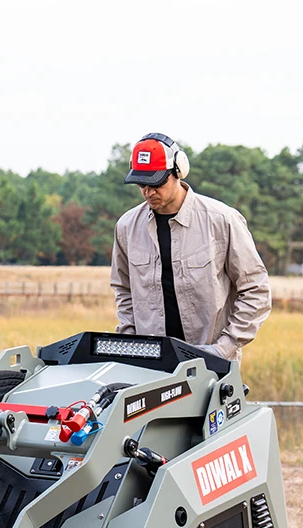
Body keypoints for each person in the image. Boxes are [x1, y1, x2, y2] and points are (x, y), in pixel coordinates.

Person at [110, 132, 270, 361]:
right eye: (141, 184)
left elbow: (255, 289)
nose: (148, 192)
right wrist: (132, 343)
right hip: (148, 364)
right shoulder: (126, 226)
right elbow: (123, 290)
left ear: (178, 170)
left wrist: (224, 348)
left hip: (212, 363)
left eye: (156, 182)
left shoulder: (222, 220)